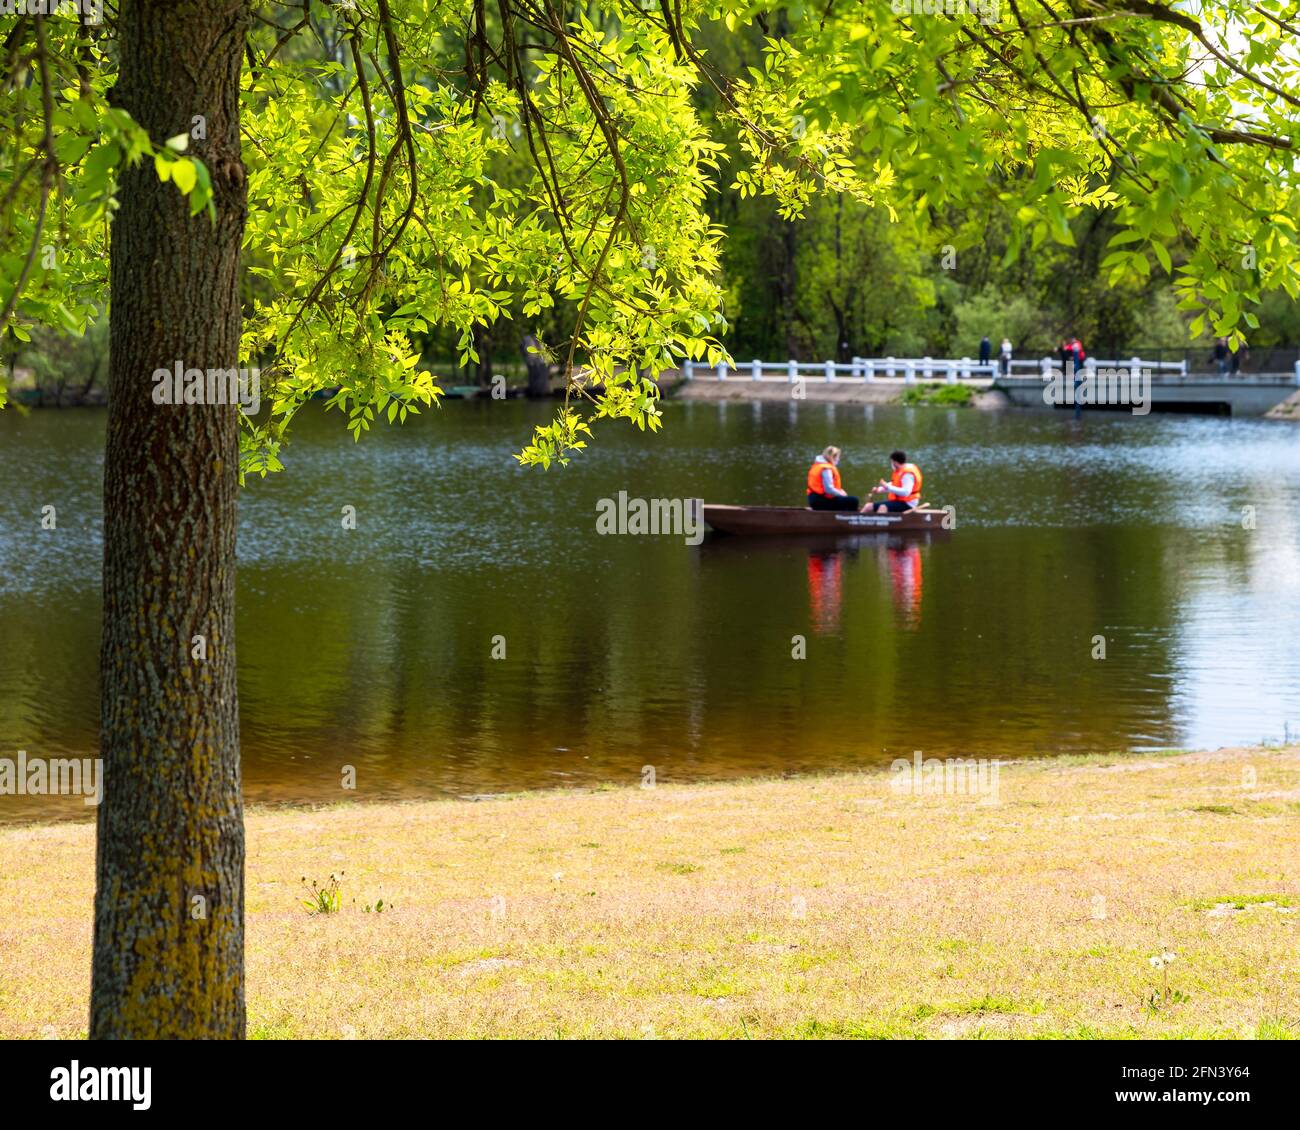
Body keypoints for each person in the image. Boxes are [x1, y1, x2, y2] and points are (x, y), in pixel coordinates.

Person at [806, 445, 859, 511]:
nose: (838, 459)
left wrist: (840, 491)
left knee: (845, 501)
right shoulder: (826, 469)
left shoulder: (818, 465)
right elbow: (828, 489)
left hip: (814, 500)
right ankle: (845, 520)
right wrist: (841, 494)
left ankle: (839, 516)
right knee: (854, 500)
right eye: (838, 457)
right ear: (832, 457)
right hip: (821, 501)